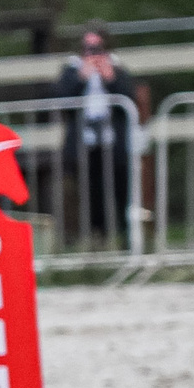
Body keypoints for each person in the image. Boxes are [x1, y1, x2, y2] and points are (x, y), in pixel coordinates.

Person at [55, 26, 140, 242]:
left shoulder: (118, 69)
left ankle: (122, 235)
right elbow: (61, 100)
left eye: (97, 48)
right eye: (88, 48)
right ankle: (91, 237)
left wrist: (110, 78)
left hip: (114, 143)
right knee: (87, 191)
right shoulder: (71, 70)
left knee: (119, 188)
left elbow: (130, 100)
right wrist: (81, 78)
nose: (92, 54)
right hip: (83, 143)